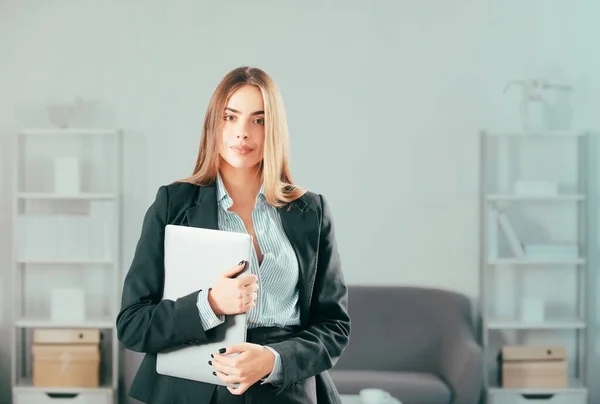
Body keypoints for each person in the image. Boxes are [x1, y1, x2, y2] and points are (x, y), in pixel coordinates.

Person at [116, 66, 350, 403]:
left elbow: (334, 325)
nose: (243, 133)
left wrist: (274, 360)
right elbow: (133, 324)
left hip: (286, 392)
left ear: (274, 130)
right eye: (231, 117)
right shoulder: (173, 203)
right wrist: (209, 303)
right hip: (193, 390)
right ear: (214, 123)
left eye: (259, 120)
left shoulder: (312, 211)